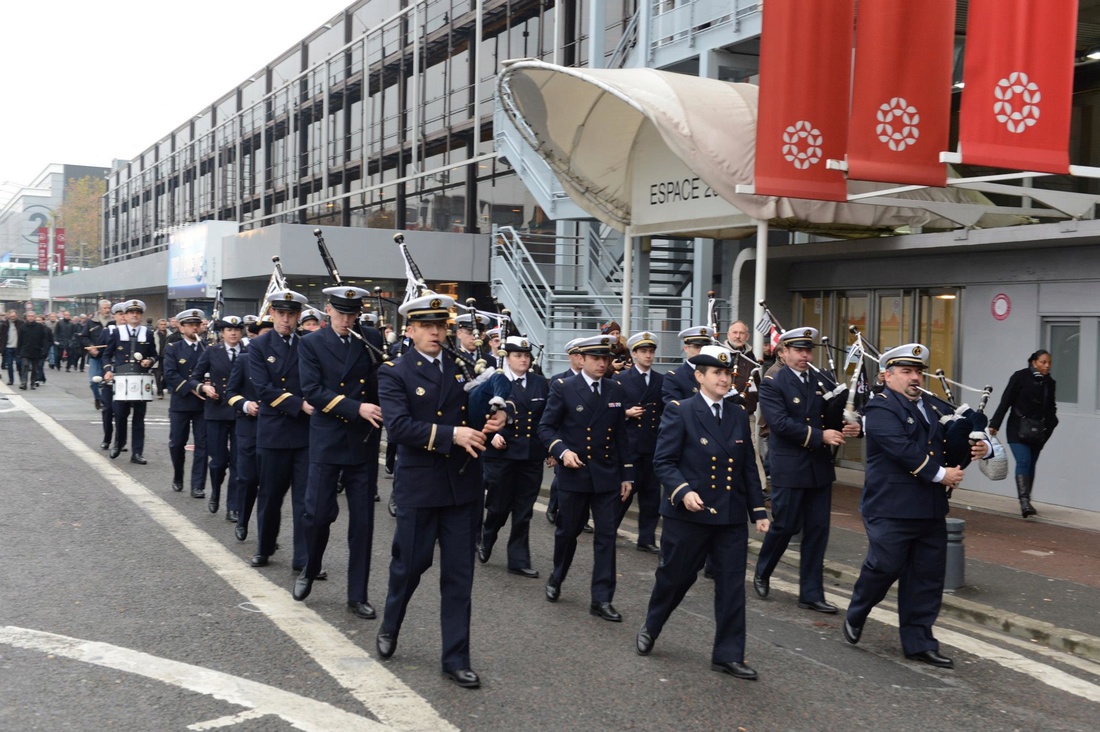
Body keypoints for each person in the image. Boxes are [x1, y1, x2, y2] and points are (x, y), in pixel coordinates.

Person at [375, 292, 508, 689]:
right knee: (410, 566)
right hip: (420, 486)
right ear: (410, 330)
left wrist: (499, 416)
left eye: (441, 326)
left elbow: (481, 407)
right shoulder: (394, 372)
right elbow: (398, 428)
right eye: (427, 326)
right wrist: (453, 433)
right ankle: (390, 623)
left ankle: (456, 658)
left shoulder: (462, 366)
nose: (436, 332)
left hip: (463, 486)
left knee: (459, 576)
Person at [844, 344, 990, 669]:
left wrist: (981, 447)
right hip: (890, 507)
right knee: (885, 566)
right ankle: (859, 608)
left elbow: (959, 436)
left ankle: (919, 642)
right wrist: (942, 475)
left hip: (929, 507)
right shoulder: (880, 407)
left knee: (926, 578)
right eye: (907, 372)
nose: (915, 378)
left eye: (918, 371)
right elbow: (902, 449)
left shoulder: (934, 405)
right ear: (887, 375)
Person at [636, 344, 769, 680]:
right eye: (717, 373)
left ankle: (728, 654)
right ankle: (652, 624)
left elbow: (746, 469)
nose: (725, 379)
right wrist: (683, 491)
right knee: (675, 578)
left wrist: (758, 510)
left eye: (728, 373)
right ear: (699, 377)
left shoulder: (738, 414)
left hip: (729, 517)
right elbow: (663, 461)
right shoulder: (681, 410)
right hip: (689, 516)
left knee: (731, 586)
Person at [753, 327, 860, 614]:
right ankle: (763, 571)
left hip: (819, 467)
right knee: (786, 525)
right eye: (798, 350)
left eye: (808, 350)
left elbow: (832, 415)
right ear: (783, 352)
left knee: (817, 531)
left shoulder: (822, 377)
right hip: (790, 465)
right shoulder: (773, 382)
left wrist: (846, 425)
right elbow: (780, 424)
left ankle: (811, 593)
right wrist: (820, 435)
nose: (804, 355)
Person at [295, 287, 384, 620]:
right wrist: (356, 408)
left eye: (353, 314)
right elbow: (314, 392)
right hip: (329, 438)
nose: (347, 320)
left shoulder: (369, 338)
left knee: (362, 523)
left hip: (363, 441)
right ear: (328, 309)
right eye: (341, 313)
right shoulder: (311, 343)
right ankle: (310, 565)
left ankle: (357, 594)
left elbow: (381, 382)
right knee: (317, 515)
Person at [537, 334, 634, 622]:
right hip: (575, 474)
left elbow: (620, 436)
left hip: (606, 475)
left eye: (605, 359)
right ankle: (557, 576)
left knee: (606, 537)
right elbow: (546, 428)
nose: (602, 364)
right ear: (582, 360)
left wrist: (627, 475)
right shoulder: (564, 388)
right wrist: (562, 451)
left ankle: (601, 599)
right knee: (568, 533)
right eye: (595, 359)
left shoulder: (615, 389)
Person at [247, 290, 313, 572]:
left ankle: (303, 557)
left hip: (304, 434)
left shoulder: (307, 344)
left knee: (304, 499)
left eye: (292, 315)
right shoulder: (259, 346)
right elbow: (263, 389)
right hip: (274, 431)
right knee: (271, 495)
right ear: (271, 314)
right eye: (281, 314)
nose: (286, 320)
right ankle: (264, 546)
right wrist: (300, 404)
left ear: (299, 317)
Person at [477, 335, 549, 578]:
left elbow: (546, 419)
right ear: (507, 358)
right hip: (502, 454)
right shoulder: (494, 381)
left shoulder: (540, 383)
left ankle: (518, 559)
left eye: (527, 356)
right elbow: (477, 415)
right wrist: (490, 437)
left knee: (524, 510)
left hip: (530, 455)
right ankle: (487, 536)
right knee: (498, 507)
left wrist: (550, 449)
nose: (523, 360)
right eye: (518, 355)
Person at [989, 349, 1059, 518]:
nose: (1047, 365)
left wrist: (1049, 427)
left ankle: (1027, 499)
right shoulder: (1020, 377)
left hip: (1037, 432)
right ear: (1034, 362)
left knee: (1031, 464)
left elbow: (1051, 409)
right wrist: (995, 424)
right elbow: (1006, 401)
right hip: (1016, 428)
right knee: (1023, 460)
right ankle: (1024, 501)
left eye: (1049, 362)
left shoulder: (1050, 382)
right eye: (1043, 362)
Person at [613, 332, 665, 552]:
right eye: (644, 351)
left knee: (652, 496)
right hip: (630, 444)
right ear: (634, 354)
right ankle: (609, 528)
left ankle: (647, 539)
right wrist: (626, 413)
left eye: (651, 352)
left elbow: (665, 411)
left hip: (653, 444)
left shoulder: (661, 380)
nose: (648, 356)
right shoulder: (620, 379)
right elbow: (609, 410)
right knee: (625, 492)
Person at [226, 315, 274, 542]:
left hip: (276, 429)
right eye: (264, 335)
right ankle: (243, 519)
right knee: (247, 479)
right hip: (249, 428)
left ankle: (267, 534)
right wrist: (245, 404)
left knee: (271, 484)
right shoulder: (244, 360)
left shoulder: (288, 359)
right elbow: (231, 393)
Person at [194, 316, 246, 519]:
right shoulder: (211, 351)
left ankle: (233, 505)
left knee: (238, 461)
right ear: (222, 333)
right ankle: (215, 491)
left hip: (241, 412)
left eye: (236, 329)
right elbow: (195, 377)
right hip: (216, 410)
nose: (233, 333)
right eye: (228, 329)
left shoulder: (249, 352)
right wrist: (204, 387)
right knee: (218, 461)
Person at [101, 300, 155, 463]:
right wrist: (108, 370)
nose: (135, 315)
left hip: (140, 378)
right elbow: (106, 355)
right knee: (120, 414)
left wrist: (149, 361)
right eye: (131, 312)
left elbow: (155, 354)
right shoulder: (117, 332)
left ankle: (137, 452)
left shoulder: (147, 333)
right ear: (126, 315)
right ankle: (118, 443)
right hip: (121, 378)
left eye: (137, 313)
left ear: (141, 315)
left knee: (139, 417)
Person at [163, 309, 209, 497]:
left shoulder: (207, 348)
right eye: (190, 325)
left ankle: (198, 485)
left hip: (203, 405)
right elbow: (170, 374)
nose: (195, 328)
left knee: (203, 445)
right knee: (176, 443)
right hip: (181, 402)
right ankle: (178, 475)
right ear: (181, 328)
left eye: (197, 324)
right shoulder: (173, 348)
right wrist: (193, 388)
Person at [545, 337, 585, 525]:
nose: (581, 359)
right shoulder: (559, 380)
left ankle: (581, 517)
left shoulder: (597, 380)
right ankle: (553, 508)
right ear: (570, 357)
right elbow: (551, 419)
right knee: (561, 479)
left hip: (585, 440)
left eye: (583, 355)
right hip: (563, 439)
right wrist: (553, 449)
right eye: (577, 355)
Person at [662, 326, 718, 404]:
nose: (702, 350)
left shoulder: (715, 373)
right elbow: (674, 408)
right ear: (686, 348)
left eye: (705, 347)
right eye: (697, 347)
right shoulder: (675, 377)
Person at [80, 300, 113, 409]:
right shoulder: (91, 322)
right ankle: (97, 397)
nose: (107, 310)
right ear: (100, 309)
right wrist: (90, 346)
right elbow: (84, 336)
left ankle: (105, 401)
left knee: (108, 382)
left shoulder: (113, 321)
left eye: (109, 308)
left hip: (109, 357)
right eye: (105, 308)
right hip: (96, 356)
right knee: (93, 381)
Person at [16, 311, 51, 390]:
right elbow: (19, 340)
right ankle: (24, 383)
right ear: (27, 317)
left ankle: (32, 383)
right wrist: (18, 350)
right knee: (25, 365)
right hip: (25, 350)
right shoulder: (22, 327)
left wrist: (44, 349)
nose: (30, 317)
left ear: (34, 317)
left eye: (32, 316)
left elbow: (44, 339)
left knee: (35, 368)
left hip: (36, 350)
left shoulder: (39, 327)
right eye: (29, 316)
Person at [2, 309, 22, 385]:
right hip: (8, 347)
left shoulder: (20, 323)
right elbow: (2, 336)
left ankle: (22, 379)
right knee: (9, 365)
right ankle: (11, 380)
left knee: (19, 363)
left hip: (17, 347)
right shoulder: (5, 324)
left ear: (16, 315)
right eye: (11, 316)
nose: (12, 317)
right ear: (8, 316)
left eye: (13, 316)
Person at [152, 318, 171, 398]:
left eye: (164, 324)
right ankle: (160, 392)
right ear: (158, 325)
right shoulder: (154, 334)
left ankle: (162, 387)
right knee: (158, 375)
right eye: (161, 324)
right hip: (157, 357)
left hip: (166, 357)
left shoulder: (170, 334)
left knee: (166, 375)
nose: (163, 326)